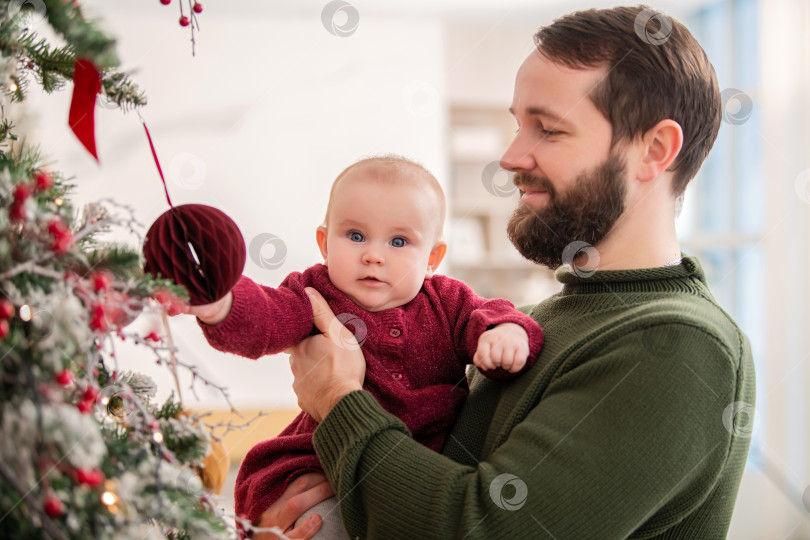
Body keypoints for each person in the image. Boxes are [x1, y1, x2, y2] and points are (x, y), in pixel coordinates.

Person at [249, 5, 756, 539]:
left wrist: (336, 399)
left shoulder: (678, 345)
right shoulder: (532, 323)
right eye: (518, 125)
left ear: (653, 150)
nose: (511, 156)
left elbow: (478, 527)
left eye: (549, 129)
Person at [185, 156, 544, 538]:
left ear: (432, 259)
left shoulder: (448, 301)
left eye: (399, 241)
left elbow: (491, 313)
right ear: (324, 243)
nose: (374, 254)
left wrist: (505, 333)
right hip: (317, 465)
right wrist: (221, 305)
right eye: (355, 236)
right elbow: (268, 317)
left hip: (416, 472)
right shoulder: (315, 292)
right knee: (321, 524)